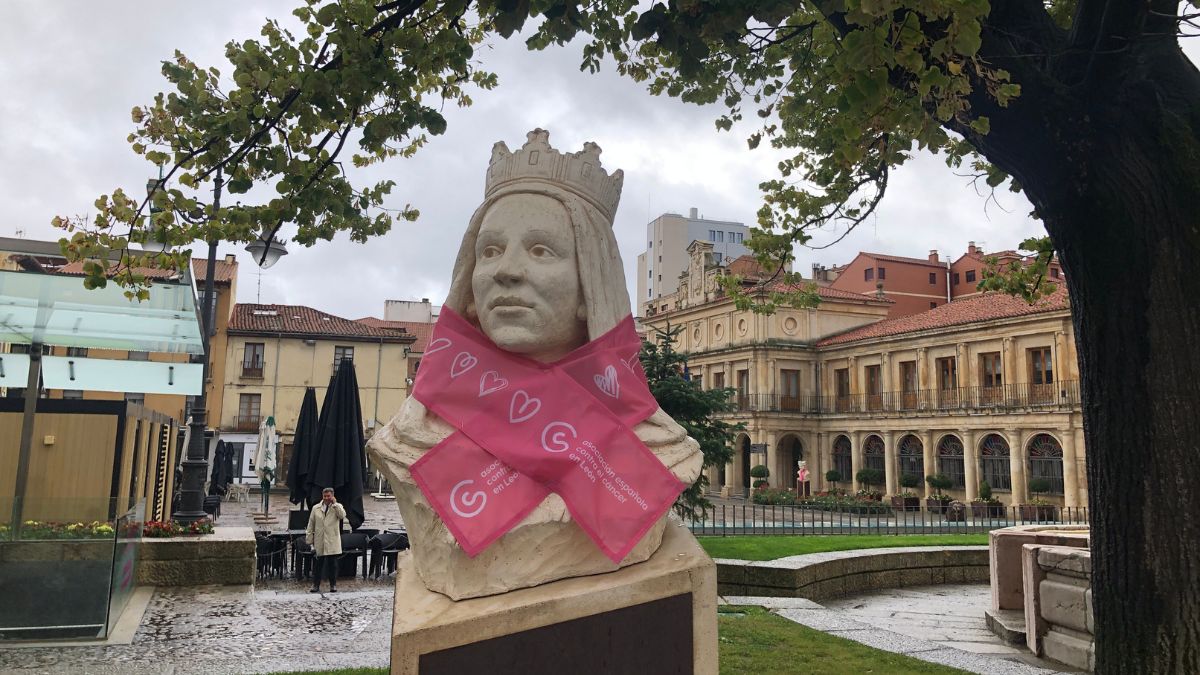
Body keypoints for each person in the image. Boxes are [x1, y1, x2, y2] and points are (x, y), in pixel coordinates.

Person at [368, 129, 703, 599]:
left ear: (592, 283)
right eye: (490, 251)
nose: (506, 270)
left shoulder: (658, 447)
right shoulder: (411, 436)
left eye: (541, 250)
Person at [306, 487, 346, 593]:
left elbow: (342, 516)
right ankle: (315, 585)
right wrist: (310, 540)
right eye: (325, 496)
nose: (327, 498)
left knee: (332, 564)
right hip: (320, 540)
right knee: (318, 565)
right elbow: (311, 524)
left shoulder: (337, 507)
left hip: (332, 540)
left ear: (332, 496)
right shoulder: (316, 508)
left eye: (329, 496)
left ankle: (333, 585)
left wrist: (335, 504)